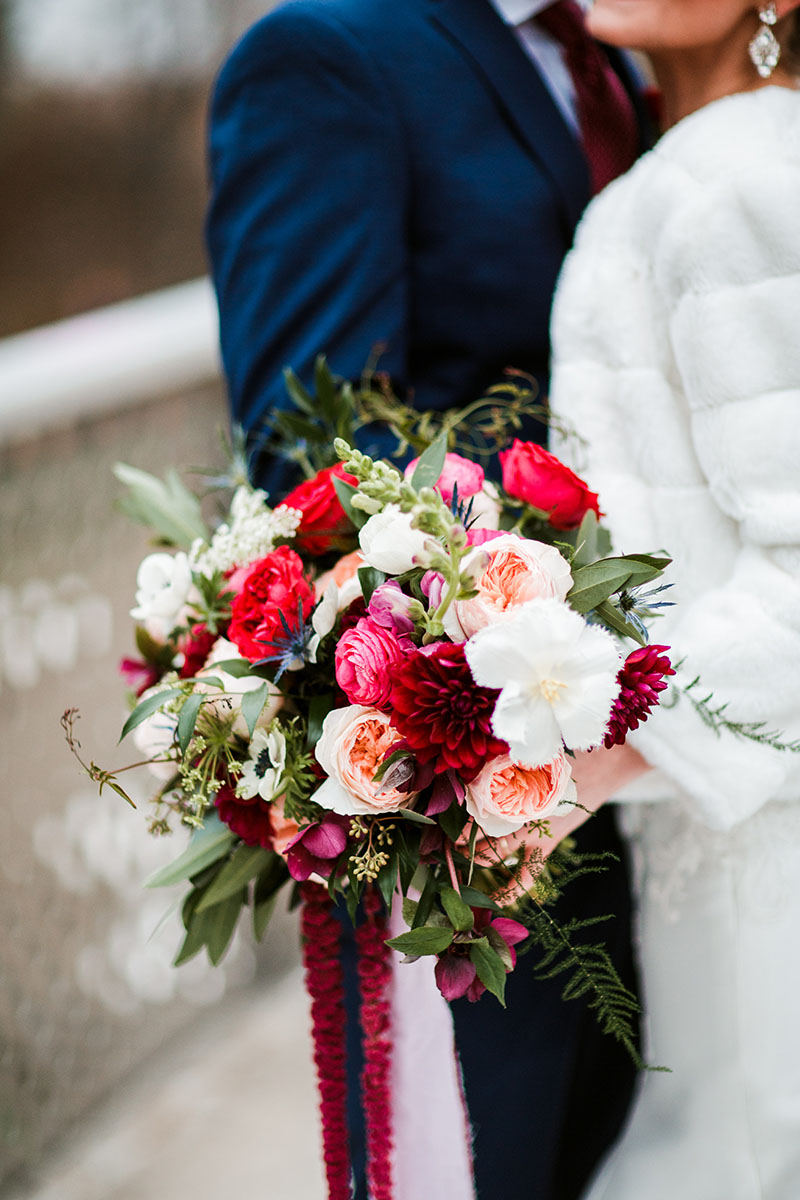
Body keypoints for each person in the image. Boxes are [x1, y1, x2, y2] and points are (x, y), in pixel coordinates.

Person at [205, 2, 653, 1196]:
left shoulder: (614, 46)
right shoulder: (327, 56)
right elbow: (314, 458)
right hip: (481, 810)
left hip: (659, 757)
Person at [541, 1, 800, 1195]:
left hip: (760, 845)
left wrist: (598, 743)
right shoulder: (688, 174)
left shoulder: (737, 183)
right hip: (710, 825)